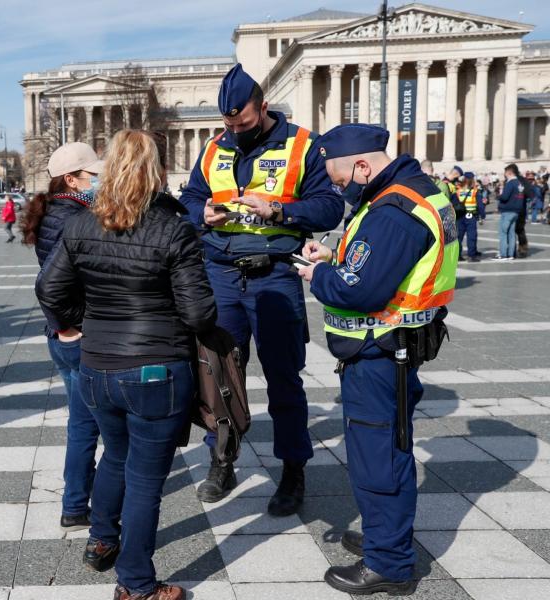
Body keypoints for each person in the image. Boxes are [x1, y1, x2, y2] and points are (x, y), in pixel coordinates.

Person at [37, 130, 217, 600]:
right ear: (155, 171)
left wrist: (83, 324)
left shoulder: (82, 223)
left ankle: (101, 541)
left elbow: (48, 289)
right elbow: (199, 313)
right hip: (155, 368)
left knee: (115, 454)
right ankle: (135, 584)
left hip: (98, 366)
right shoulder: (173, 228)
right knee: (144, 478)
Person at [296, 123, 457, 595]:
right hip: (399, 348)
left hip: (380, 351)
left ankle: (389, 563)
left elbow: (360, 288)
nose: (340, 189)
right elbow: (384, 262)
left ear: (363, 166)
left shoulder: (393, 210)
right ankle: (384, 538)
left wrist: (318, 273)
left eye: (342, 180)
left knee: (377, 458)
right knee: (388, 448)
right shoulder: (419, 191)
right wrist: (336, 253)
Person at [178, 64, 344, 511]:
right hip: (222, 276)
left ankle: (293, 472)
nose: (236, 131)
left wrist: (279, 212)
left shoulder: (304, 145)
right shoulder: (215, 147)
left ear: (263, 107)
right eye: (229, 124)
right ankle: (222, 460)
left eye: (244, 123)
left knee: (283, 378)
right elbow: (190, 197)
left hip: (273, 275)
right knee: (217, 376)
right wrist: (203, 212)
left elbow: (329, 208)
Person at [20, 141, 103, 532]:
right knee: (88, 423)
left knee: (85, 420)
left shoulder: (61, 211)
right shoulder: (73, 217)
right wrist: (70, 327)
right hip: (77, 336)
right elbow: (49, 285)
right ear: (70, 179)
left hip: (70, 334)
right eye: (93, 175)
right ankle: (77, 504)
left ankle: (80, 500)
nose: (99, 181)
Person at [496, 164, 525, 261]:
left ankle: (503, 254)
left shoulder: (510, 183)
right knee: (512, 233)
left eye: (505, 173)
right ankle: (511, 254)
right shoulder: (519, 183)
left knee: (503, 233)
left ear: (509, 172)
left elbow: (504, 197)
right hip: (516, 211)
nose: (504, 175)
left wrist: (499, 194)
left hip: (507, 210)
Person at [456, 172, 481, 262]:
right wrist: (482, 215)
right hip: (470, 216)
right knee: (472, 236)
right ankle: (471, 255)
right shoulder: (474, 191)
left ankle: (458, 255)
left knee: (459, 237)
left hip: (459, 216)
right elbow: (480, 204)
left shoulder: (458, 190)